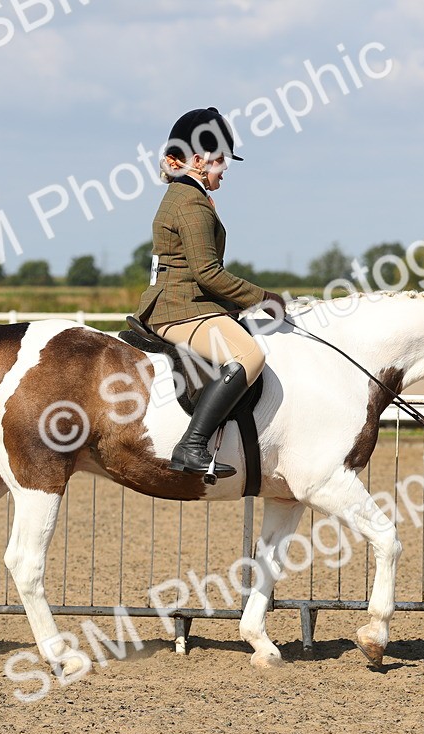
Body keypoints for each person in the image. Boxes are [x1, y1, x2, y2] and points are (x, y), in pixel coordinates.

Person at [135, 107, 285, 478]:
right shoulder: (191, 202)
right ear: (198, 160)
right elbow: (207, 273)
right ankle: (192, 444)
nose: (225, 168)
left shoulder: (185, 195)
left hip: (185, 304)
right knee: (249, 355)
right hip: (180, 309)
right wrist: (264, 298)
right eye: (220, 160)